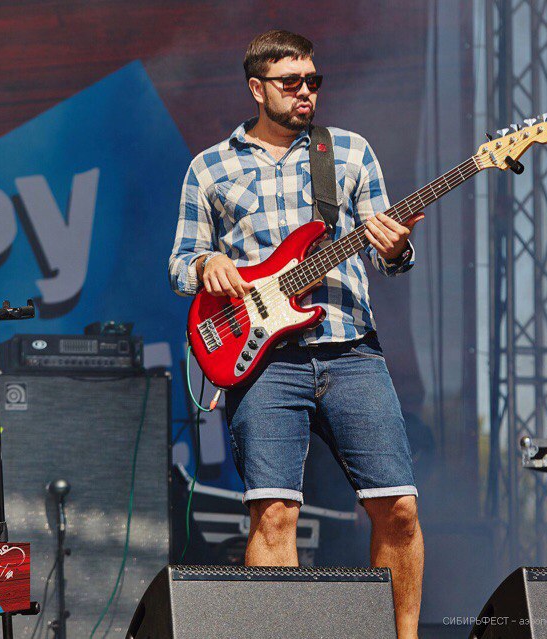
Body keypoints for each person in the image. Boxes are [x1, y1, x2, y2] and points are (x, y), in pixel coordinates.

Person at [168, 29, 424, 638]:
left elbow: (388, 258)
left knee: (398, 506)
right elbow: (180, 264)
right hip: (263, 359)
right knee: (274, 513)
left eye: (313, 80)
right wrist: (209, 264)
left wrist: (396, 247)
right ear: (257, 89)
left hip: (350, 348)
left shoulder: (350, 152)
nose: (305, 91)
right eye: (291, 82)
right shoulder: (209, 167)